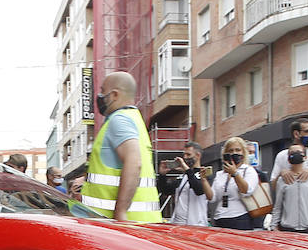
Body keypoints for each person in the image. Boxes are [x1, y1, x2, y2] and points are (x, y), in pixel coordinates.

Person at [81, 71, 162, 222]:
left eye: (102, 91)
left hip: (121, 225)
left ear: (114, 95)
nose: (99, 96)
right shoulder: (134, 119)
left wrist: (121, 212)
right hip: (140, 222)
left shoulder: (119, 121)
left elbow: (134, 162)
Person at [271, 145, 308, 235]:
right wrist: (273, 226)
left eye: (298, 152)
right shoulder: (282, 180)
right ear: (288, 158)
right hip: (288, 229)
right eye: (292, 153)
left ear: (305, 157)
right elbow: (278, 205)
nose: (295, 155)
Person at [156, 140, 213, 226]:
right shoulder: (184, 175)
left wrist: (187, 170)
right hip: (178, 223)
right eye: (184, 155)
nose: (185, 157)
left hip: (196, 224)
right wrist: (162, 175)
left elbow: (198, 190)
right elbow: (166, 191)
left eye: (188, 154)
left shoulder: (204, 173)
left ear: (198, 155)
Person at [210, 136, 260, 230]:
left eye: (238, 150)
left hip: (240, 218)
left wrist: (235, 173)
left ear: (243, 153)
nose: (234, 153)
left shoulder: (248, 170)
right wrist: (204, 180)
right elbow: (212, 197)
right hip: (220, 218)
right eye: (231, 150)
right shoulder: (220, 174)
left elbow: (246, 191)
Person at [270, 118, 308, 191]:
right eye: (307, 131)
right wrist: (280, 174)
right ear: (296, 134)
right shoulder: (282, 155)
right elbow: (273, 187)